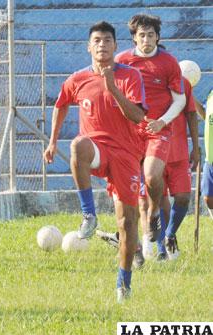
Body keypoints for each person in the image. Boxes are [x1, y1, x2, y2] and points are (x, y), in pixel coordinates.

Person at [43, 21, 146, 302]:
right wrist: (52, 141)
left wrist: (113, 88)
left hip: (126, 154)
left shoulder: (130, 76)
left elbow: (138, 117)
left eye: (108, 40)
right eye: (97, 40)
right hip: (97, 147)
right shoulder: (77, 79)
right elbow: (61, 104)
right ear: (89, 47)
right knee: (77, 144)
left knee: (127, 224)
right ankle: (89, 214)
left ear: (115, 46)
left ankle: (123, 284)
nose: (102, 45)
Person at [97, 72, 199, 262]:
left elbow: (191, 113)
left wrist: (195, 146)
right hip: (147, 152)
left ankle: (166, 238)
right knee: (145, 201)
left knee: (178, 199)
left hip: (177, 153)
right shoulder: (136, 81)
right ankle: (147, 247)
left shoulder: (182, 83)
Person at [115, 14, 186, 256]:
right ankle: (145, 244)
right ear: (134, 38)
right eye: (142, 35)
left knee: (153, 176)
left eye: (151, 35)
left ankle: (156, 216)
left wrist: (162, 122)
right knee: (138, 196)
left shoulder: (168, 62)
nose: (146, 39)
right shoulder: (122, 62)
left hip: (158, 131)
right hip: (130, 135)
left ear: (158, 36)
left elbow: (180, 100)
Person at [201, 89, 213, 211]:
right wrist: (191, 97)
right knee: (208, 198)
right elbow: (205, 115)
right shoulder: (211, 94)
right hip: (210, 156)